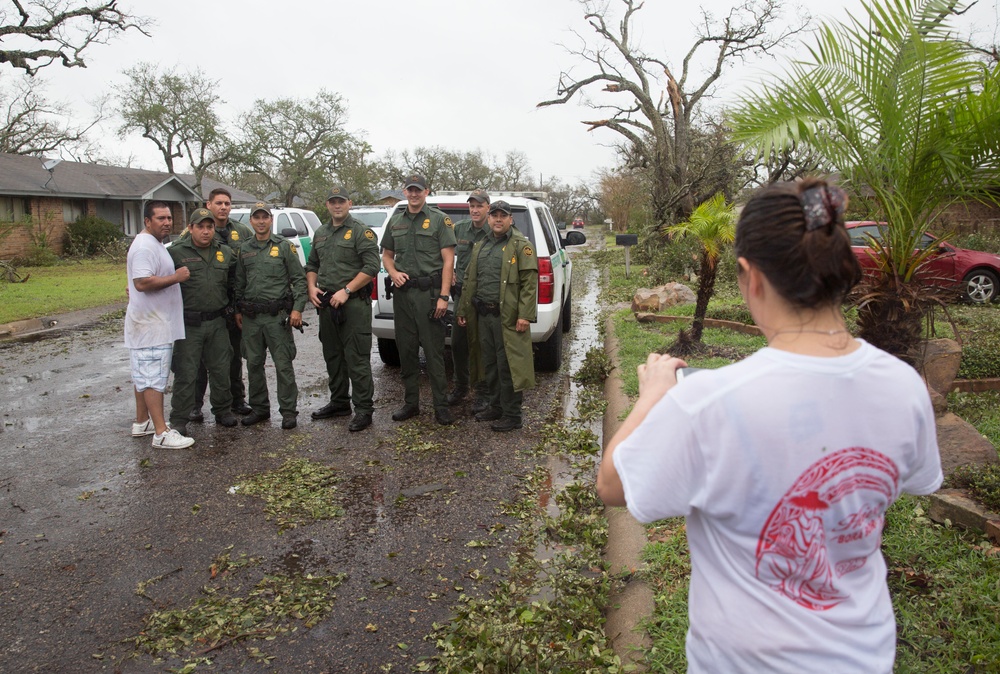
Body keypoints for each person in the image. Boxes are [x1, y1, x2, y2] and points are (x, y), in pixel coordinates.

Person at [596, 178, 943, 673]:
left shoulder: (706, 402)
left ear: (749, 276)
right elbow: (901, 483)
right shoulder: (903, 385)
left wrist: (653, 393)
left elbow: (612, 484)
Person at [380, 173, 457, 425]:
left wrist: (444, 297)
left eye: (418, 190)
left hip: (430, 294)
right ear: (404, 191)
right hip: (403, 296)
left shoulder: (438, 220)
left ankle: (441, 406)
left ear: (427, 192)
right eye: (410, 190)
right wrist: (392, 272)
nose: (414, 194)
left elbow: (448, 261)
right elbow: (387, 255)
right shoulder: (396, 221)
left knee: (434, 353)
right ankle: (411, 404)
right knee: (407, 351)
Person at [456, 200, 538, 432]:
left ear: (511, 219)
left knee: (508, 365)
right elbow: (470, 281)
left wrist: (525, 315)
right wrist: (463, 309)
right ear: (489, 218)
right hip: (484, 316)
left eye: (503, 215)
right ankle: (495, 406)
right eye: (494, 216)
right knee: (488, 363)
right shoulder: (481, 245)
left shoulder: (521, 246)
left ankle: (512, 415)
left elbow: (529, 285)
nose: (498, 219)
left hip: (508, 318)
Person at [305, 185, 380, 432]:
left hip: (354, 305)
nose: (337, 206)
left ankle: (363, 410)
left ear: (349, 203)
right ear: (327, 205)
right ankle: (339, 402)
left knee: (356, 358)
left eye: (341, 201)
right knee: (333, 356)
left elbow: (371, 267)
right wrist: (312, 287)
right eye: (332, 202)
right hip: (327, 305)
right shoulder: (321, 232)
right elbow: (312, 264)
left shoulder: (360, 231)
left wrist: (346, 290)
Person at [125, 201, 193, 450]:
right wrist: (176, 277)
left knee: (144, 374)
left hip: (150, 324)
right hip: (150, 326)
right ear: (147, 221)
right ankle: (161, 433)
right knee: (154, 379)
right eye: (160, 218)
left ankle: (143, 422)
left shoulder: (154, 244)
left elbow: (136, 283)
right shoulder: (144, 246)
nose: (166, 222)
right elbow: (142, 282)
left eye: (168, 218)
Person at [234, 202, 307, 430]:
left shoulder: (284, 247)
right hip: (252, 318)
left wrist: (297, 309)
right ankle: (260, 409)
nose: (261, 221)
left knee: (283, 365)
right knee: (254, 364)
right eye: (257, 217)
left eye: (265, 217)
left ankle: (288, 411)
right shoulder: (244, 249)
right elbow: (239, 283)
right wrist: (237, 310)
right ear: (251, 222)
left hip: (277, 317)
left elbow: (300, 280)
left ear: (271, 220)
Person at [167, 208, 238, 435]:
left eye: (209, 227)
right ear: (191, 228)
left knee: (221, 369)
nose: (206, 231)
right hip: (189, 323)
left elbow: (236, 282)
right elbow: (157, 278)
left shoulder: (225, 252)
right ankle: (179, 418)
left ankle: (223, 410)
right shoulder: (175, 253)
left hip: (217, 322)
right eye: (201, 227)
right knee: (186, 372)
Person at [188, 188, 255, 422]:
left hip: (233, 303)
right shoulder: (195, 231)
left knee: (234, 356)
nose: (223, 207)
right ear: (209, 205)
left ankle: (237, 400)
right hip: (207, 302)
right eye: (218, 203)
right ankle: (194, 405)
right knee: (200, 360)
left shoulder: (242, 231)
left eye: (227, 203)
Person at [447, 188, 491, 412]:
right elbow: (443, 250)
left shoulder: (495, 230)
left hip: (483, 297)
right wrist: (450, 271)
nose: (474, 210)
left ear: (488, 208)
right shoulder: (460, 228)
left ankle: (483, 392)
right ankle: (461, 387)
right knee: (458, 343)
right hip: (462, 295)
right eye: (472, 206)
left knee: (481, 346)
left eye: (479, 206)